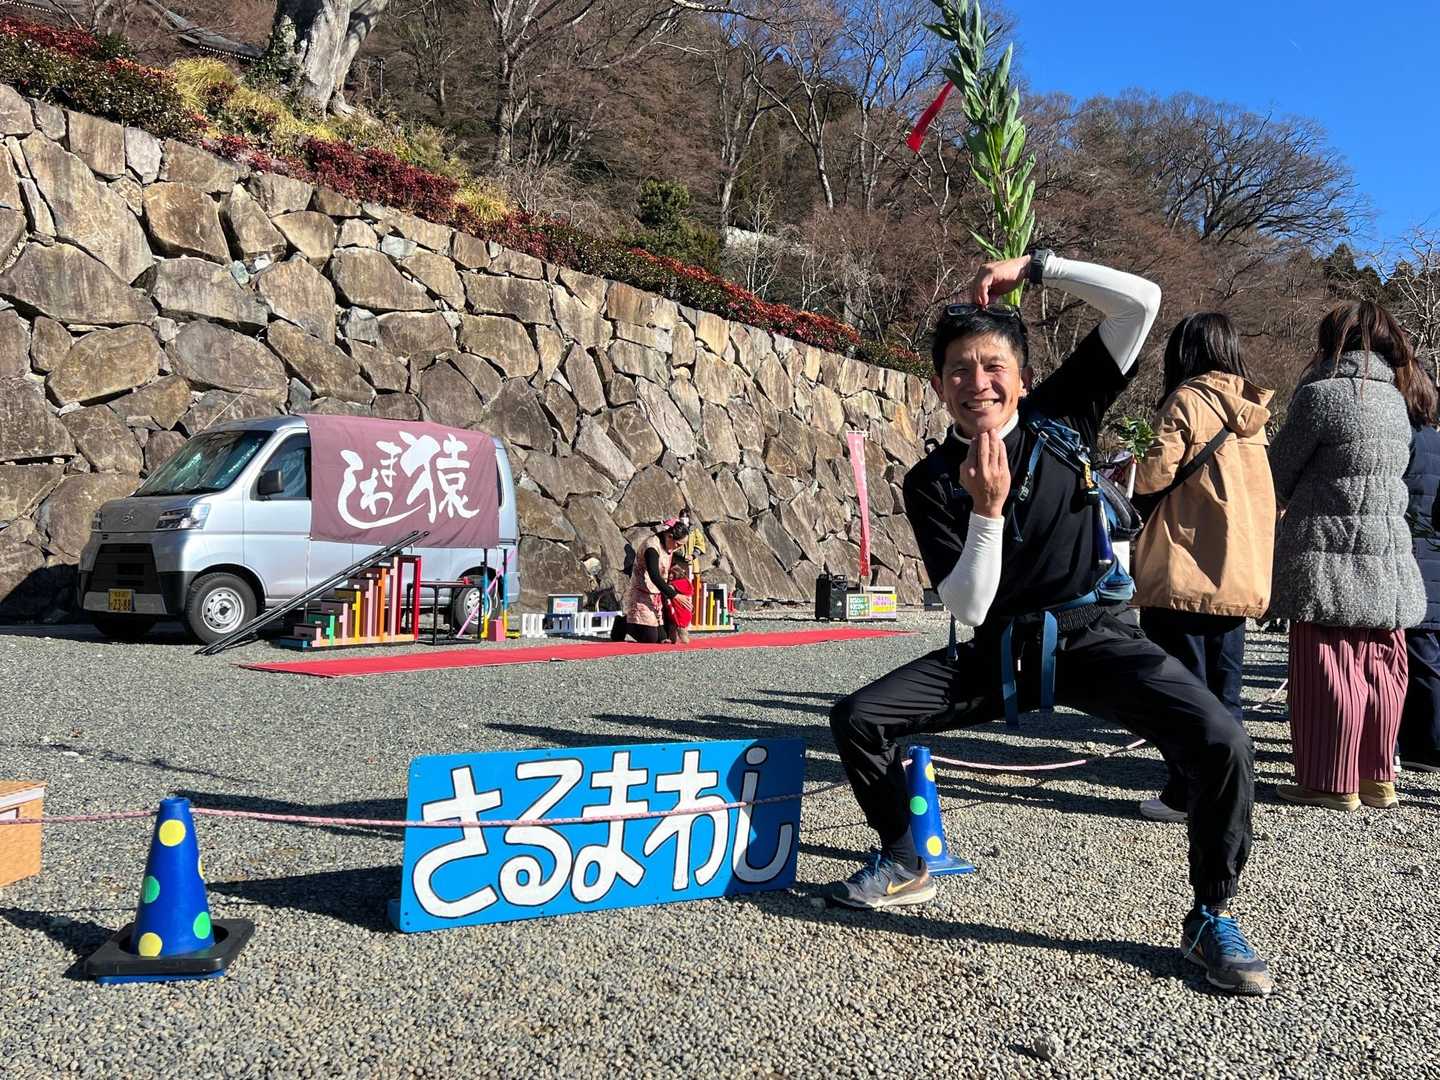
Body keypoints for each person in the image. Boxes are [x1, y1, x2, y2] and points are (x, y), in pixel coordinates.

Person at [827, 250, 1272, 997]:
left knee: (1223, 739)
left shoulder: (1062, 416)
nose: (977, 382)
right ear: (937, 385)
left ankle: (1210, 915)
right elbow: (969, 606)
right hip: (1002, 647)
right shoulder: (931, 480)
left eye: (993, 366)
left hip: (1096, 635)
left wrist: (1037, 268)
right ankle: (904, 858)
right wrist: (988, 511)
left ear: (1024, 379)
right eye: (959, 370)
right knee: (859, 719)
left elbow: (1141, 301)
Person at [1268, 301, 1427, 811]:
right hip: (1389, 554)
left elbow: (1278, 473)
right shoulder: (1396, 401)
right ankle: (1377, 778)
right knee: (1382, 665)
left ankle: (1330, 781)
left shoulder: (1322, 395)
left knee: (1327, 667)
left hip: (1327, 551)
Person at [1130, 314, 1276, 823]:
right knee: (1224, 694)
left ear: (1184, 353)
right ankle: (1228, 796)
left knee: (1181, 692)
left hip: (1184, 572)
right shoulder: (1254, 412)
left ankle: (1185, 793)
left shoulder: (1186, 401)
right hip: (1237, 576)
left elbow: (1150, 478)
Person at [1400, 376, 1440, 773]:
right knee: (1429, 653)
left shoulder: (1405, 441)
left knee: (1419, 654)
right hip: (1434, 555)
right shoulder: (1436, 440)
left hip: (1414, 555)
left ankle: (1426, 744)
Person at [610, 515, 691, 644]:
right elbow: (654, 576)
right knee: (650, 638)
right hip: (641, 592)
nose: (678, 547)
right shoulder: (651, 547)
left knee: (663, 637)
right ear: (669, 536)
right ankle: (623, 623)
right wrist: (674, 595)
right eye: (678, 544)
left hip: (657, 593)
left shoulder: (669, 545)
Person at [665, 555, 694, 645]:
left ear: (677, 574)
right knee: (674, 626)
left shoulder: (674, 585)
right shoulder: (686, 582)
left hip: (679, 611)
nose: (670, 576)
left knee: (678, 627)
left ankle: (682, 640)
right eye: (669, 573)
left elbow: (668, 591)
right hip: (684, 611)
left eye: (672, 574)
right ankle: (674, 639)